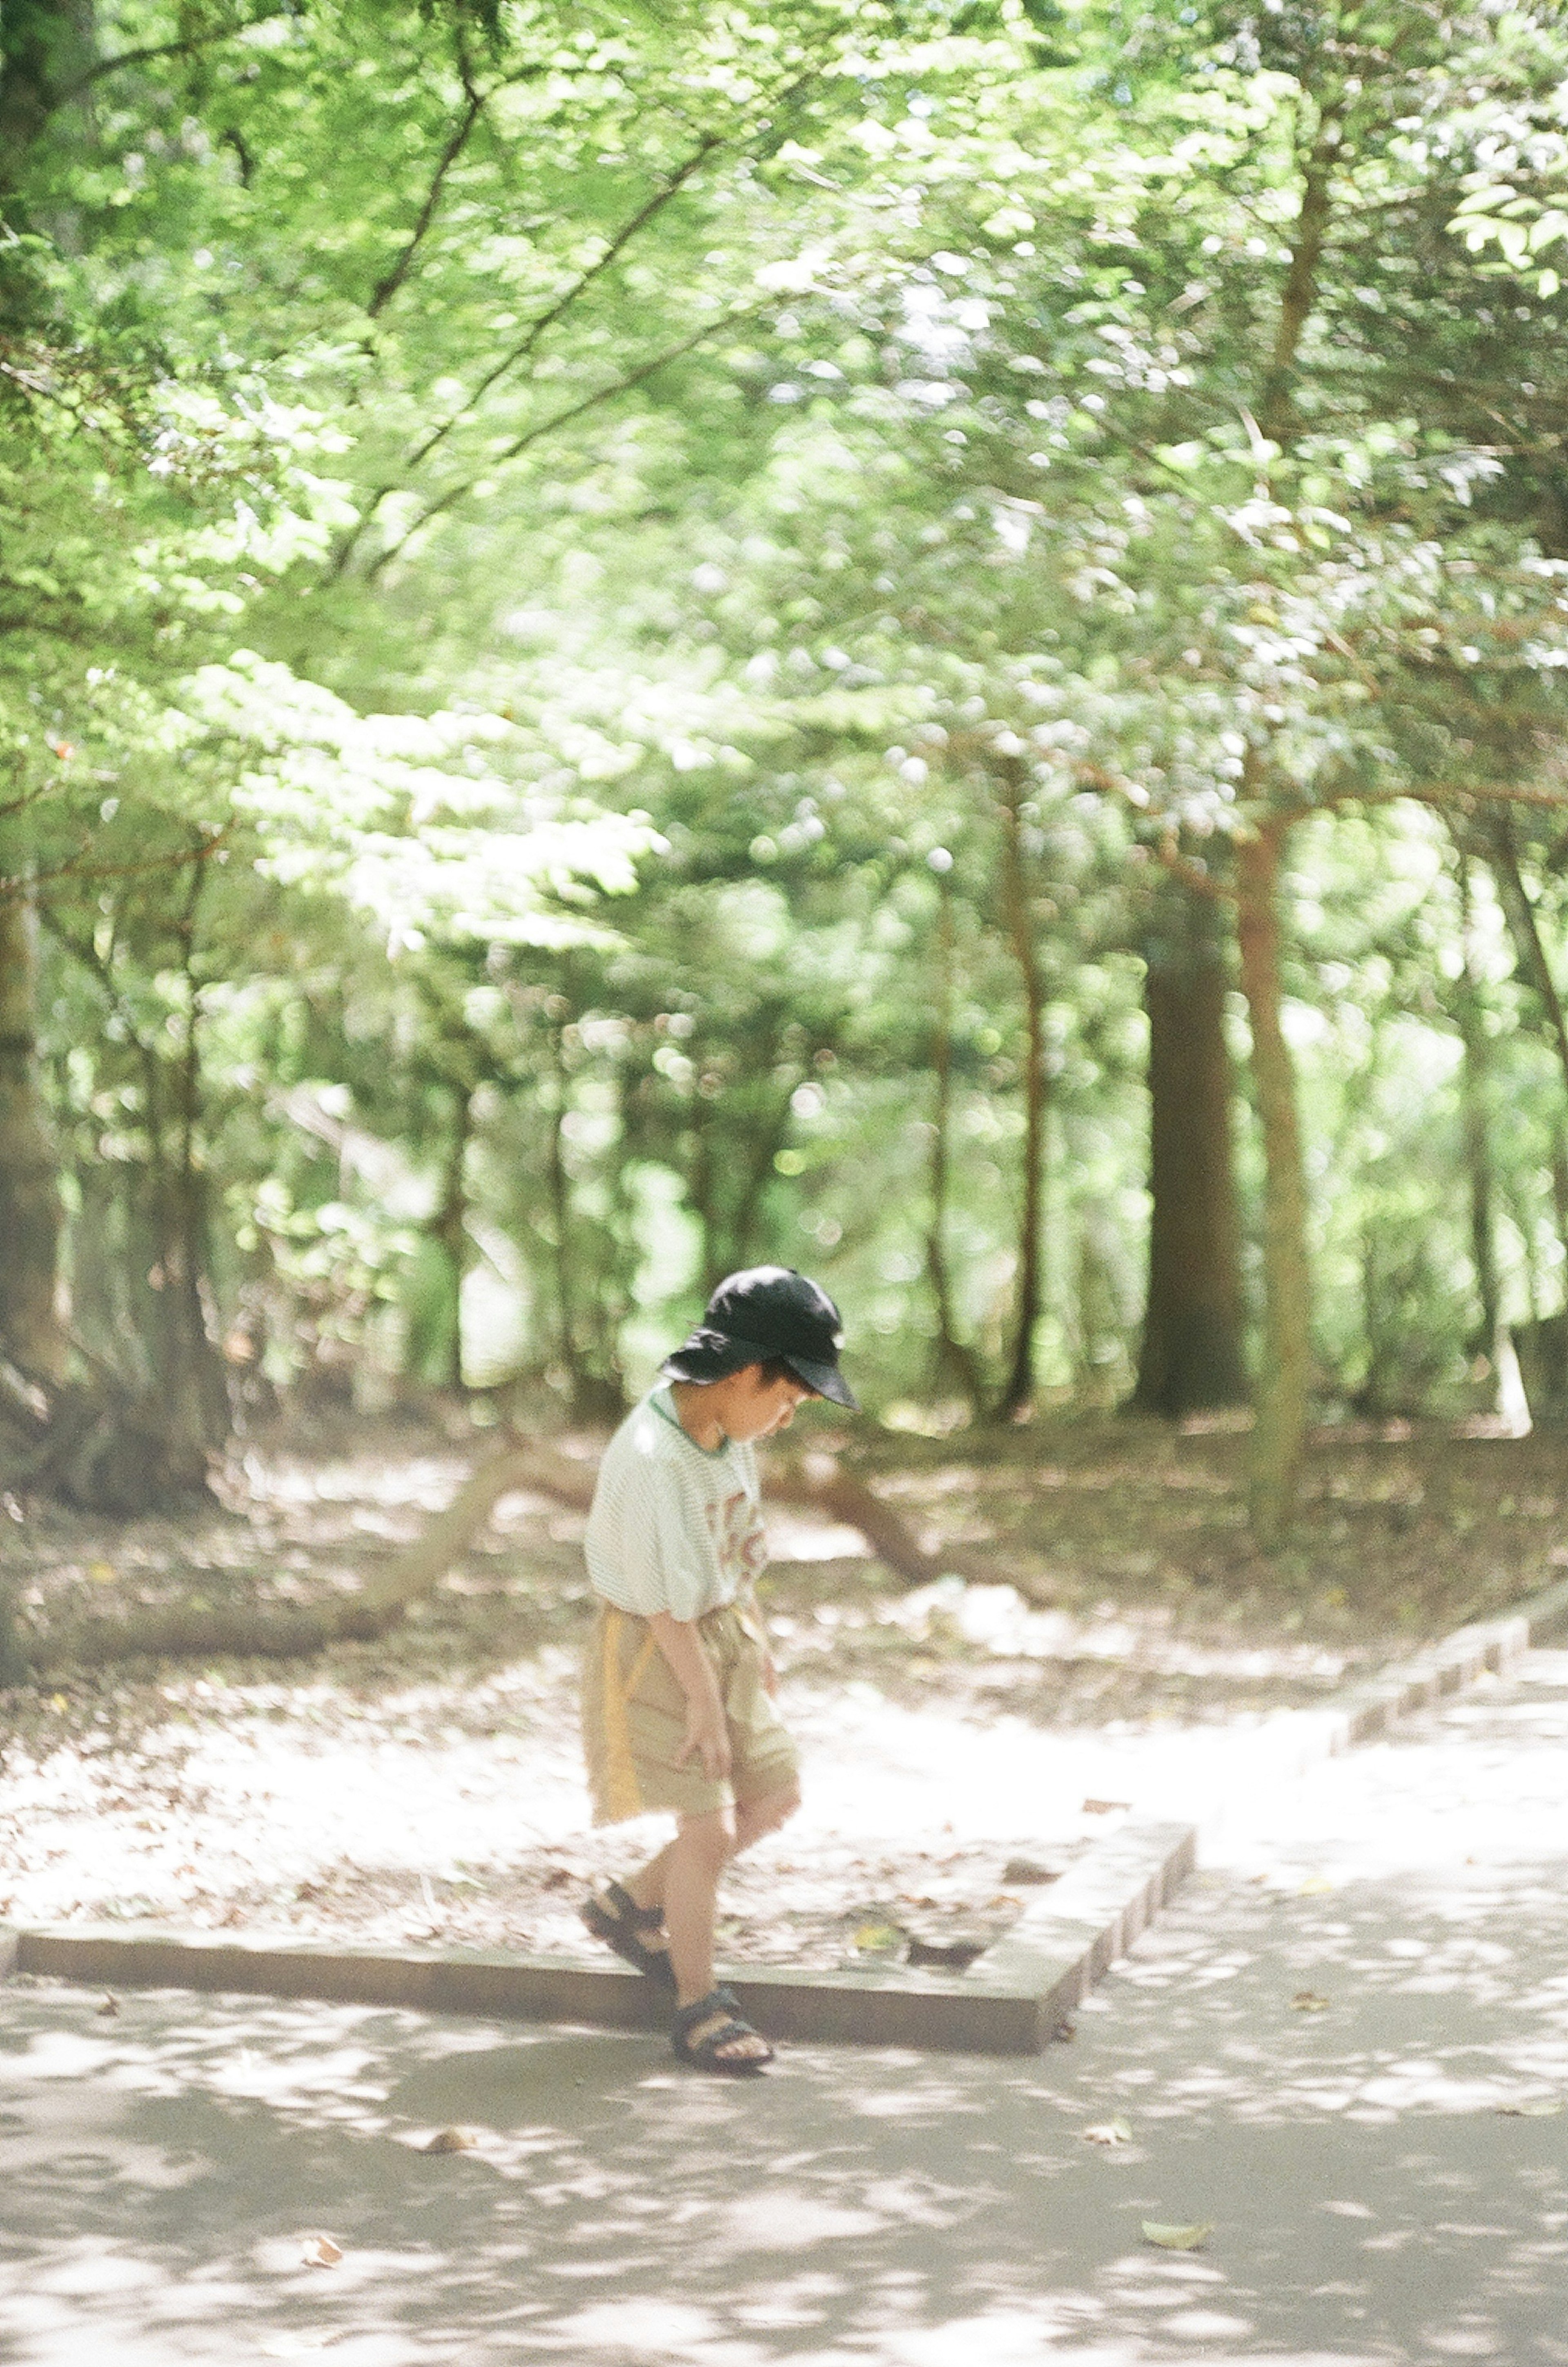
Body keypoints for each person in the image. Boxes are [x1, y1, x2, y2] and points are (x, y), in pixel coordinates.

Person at [578, 1265, 857, 2074]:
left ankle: (631, 1907)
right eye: (787, 1398)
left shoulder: (730, 1435)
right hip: (658, 1652)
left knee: (774, 1793)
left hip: (723, 1634)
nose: (785, 1417)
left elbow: (733, 1553)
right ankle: (698, 2006)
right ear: (744, 1372)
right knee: (708, 1828)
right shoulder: (652, 1456)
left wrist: (758, 1643)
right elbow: (665, 1604)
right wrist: (703, 1702)